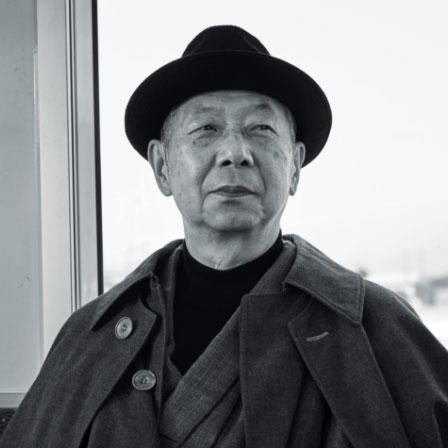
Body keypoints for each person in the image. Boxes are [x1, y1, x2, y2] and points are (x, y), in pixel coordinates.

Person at [1, 25, 447, 448]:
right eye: (206, 129)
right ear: (162, 167)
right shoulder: (89, 334)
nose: (235, 153)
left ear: (294, 166)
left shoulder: (373, 324)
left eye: (261, 129)